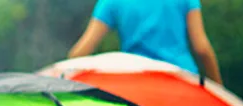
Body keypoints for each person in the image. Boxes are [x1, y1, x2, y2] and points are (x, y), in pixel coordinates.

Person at [68, 0, 223, 84]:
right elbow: (201, 48)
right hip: (183, 80)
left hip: (138, 83)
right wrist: (219, 89)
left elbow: (81, 52)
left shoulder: (111, 2)